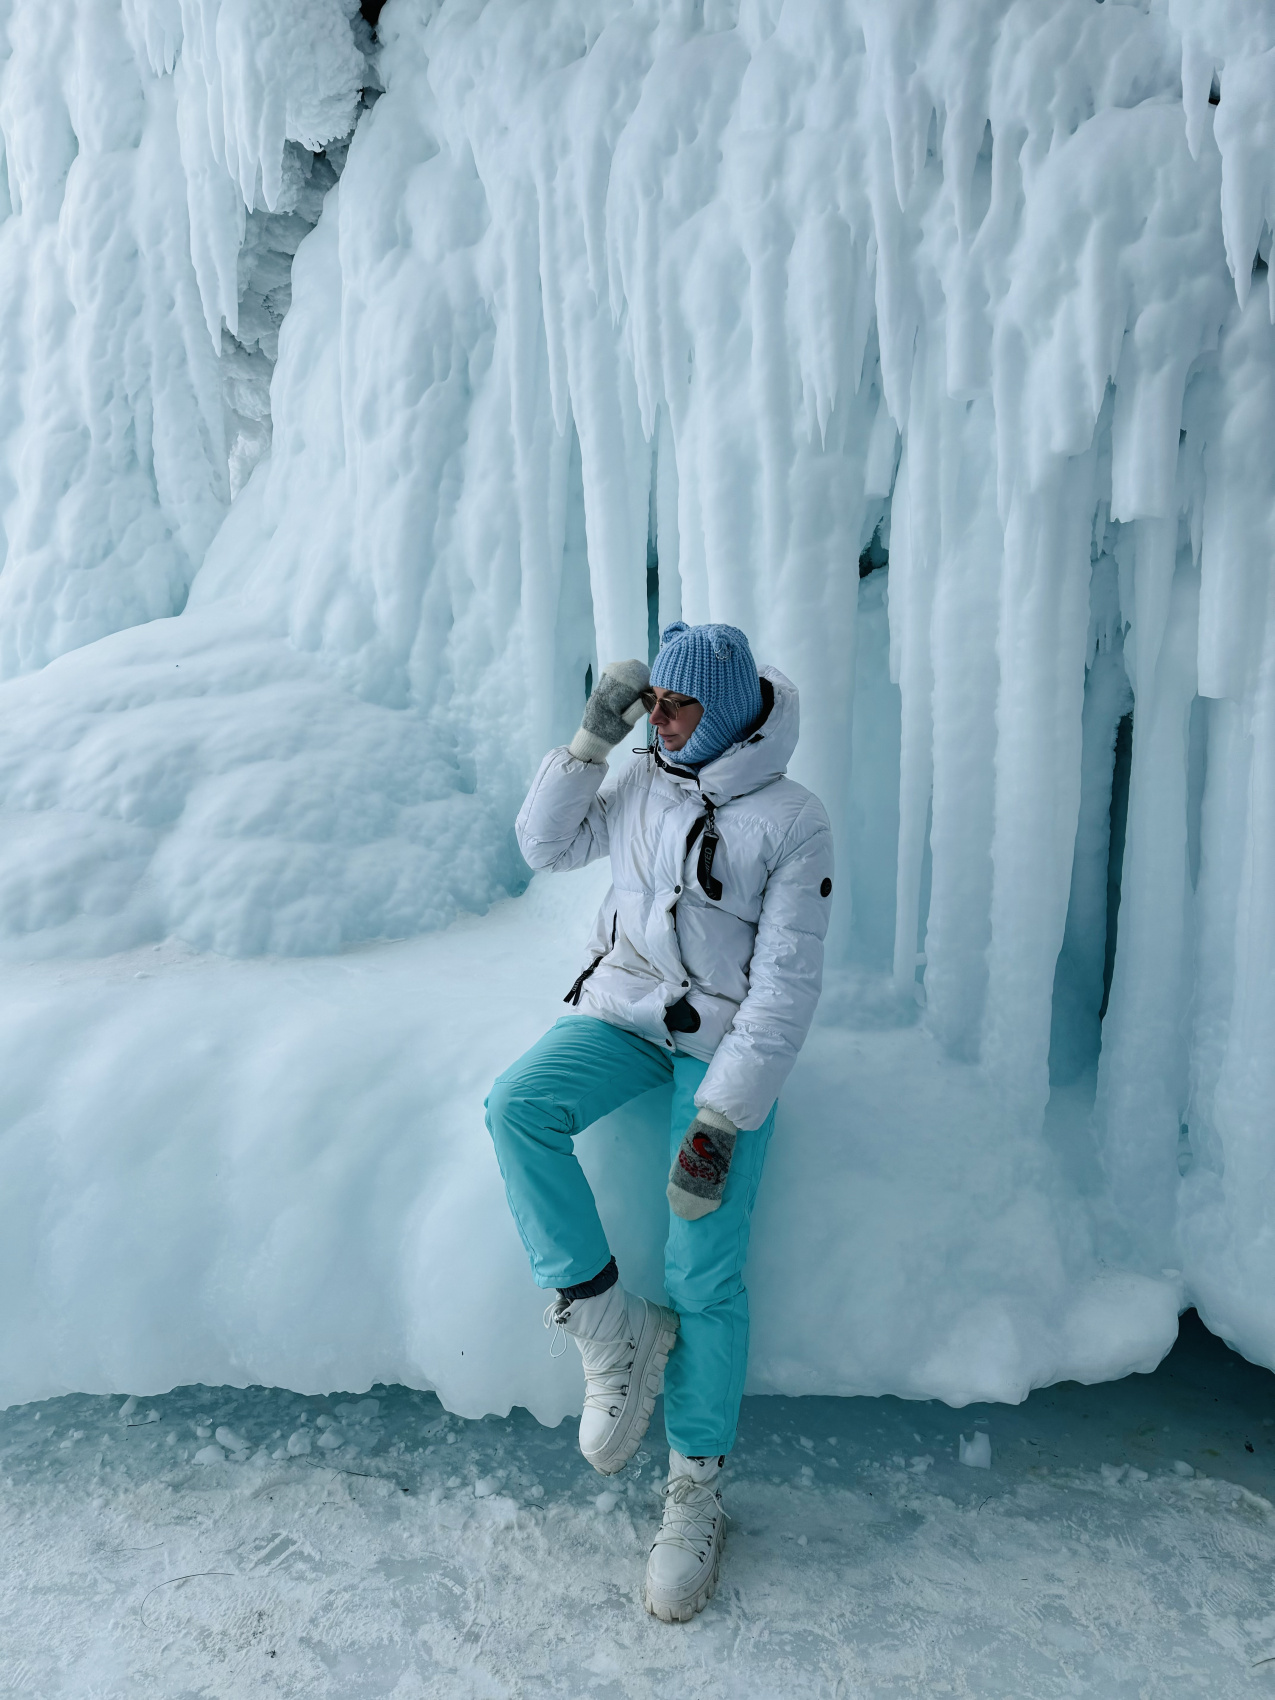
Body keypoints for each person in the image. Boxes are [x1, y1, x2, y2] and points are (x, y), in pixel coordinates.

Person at [485, 621, 833, 1622]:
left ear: (720, 715)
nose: (658, 721)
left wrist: (721, 1120)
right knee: (517, 1106)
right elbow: (545, 842)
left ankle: (695, 1489)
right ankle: (608, 1324)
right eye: (649, 704)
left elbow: (785, 991)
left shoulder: (794, 820)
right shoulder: (641, 774)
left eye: (674, 709)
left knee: (704, 1263)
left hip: (722, 1046)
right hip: (628, 1011)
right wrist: (588, 745)